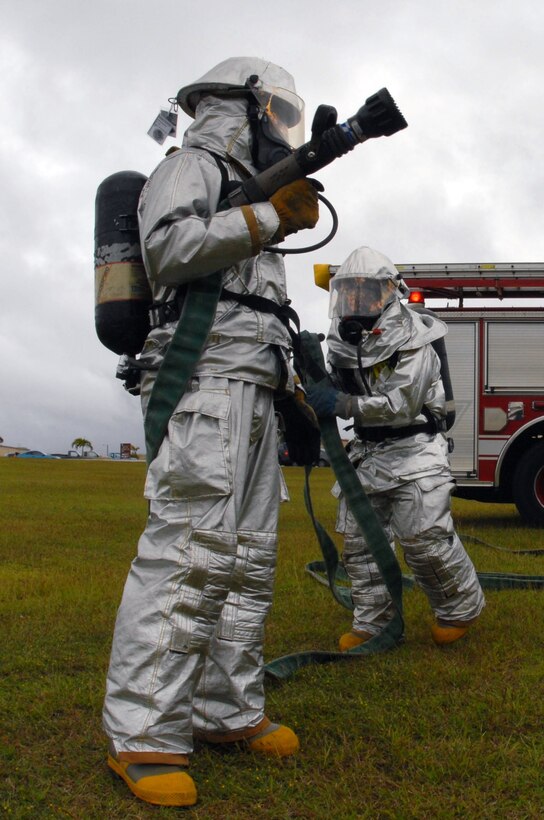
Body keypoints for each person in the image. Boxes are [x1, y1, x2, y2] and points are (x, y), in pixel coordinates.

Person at [102, 57, 320, 807]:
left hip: (253, 384)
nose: (285, 130)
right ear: (246, 107)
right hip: (202, 382)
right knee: (190, 552)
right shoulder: (191, 166)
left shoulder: (244, 188)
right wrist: (266, 218)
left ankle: (225, 711)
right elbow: (166, 251)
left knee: (248, 560)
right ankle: (144, 734)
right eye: (280, 115)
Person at [306, 246, 485, 653]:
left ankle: (459, 607)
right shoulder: (342, 338)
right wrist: (313, 379)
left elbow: (399, 405)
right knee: (359, 541)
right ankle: (373, 622)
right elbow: (338, 386)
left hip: (416, 449)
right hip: (369, 453)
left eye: (364, 292)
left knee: (424, 539)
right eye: (348, 292)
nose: (355, 301)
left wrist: (341, 404)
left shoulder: (415, 338)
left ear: (388, 293)